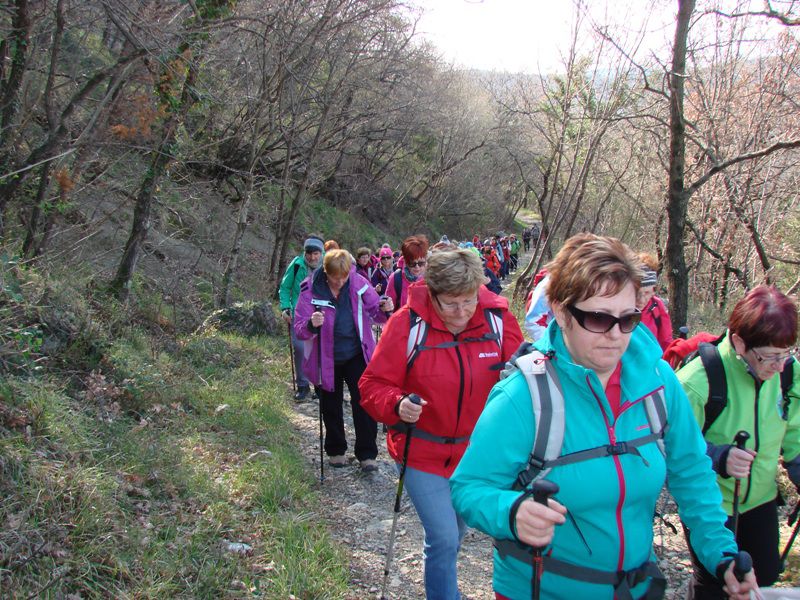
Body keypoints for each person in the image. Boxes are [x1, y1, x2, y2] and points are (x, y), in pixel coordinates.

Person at [450, 233, 758, 600]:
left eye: (628, 319)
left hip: (636, 589)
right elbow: (468, 487)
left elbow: (691, 473)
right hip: (540, 590)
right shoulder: (523, 395)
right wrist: (512, 511)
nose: (615, 335)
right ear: (562, 313)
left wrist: (720, 555)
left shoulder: (659, 383)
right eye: (598, 318)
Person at [360, 248, 524, 600]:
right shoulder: (408, 324)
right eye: (450, 304)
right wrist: (398, 404)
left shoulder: (497, 320)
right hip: (421, 452)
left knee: (455, 536)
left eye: (468, 301)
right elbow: (371, 385)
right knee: (445, 537)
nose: (462, 312)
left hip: (474, 456)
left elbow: (523, 376)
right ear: (431, 293)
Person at [677, 285, 799, 598]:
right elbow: (669, 450)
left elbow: (796, 435)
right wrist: (717, 456)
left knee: (765, 577)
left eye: (787, 354)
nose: (780, 366)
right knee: (716, 586)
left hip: (761, 499)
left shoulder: (788, 374)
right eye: (770, 357)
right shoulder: (697, 381)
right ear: (740, 342)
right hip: (712, 508)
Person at [293, 249, 394, 471]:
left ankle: (367, 454)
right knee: (330, 404)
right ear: (326, 272)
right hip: (326, 356)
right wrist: (311, 324)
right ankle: (336, 449)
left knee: (364, 402)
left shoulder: (358, 283)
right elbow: (299, 329)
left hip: (357, 352)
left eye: (344, 276)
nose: (340, 281)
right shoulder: (310, 289)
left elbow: (374, 312)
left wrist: (385, 308)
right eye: (335, 277)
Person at [279, 236, 324, 401]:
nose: (312, 257)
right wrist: (285, 307)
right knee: (300, 348)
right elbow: (285, 287)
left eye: (316, 253)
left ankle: (320, 385)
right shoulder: (297, 265)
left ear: (322, 253)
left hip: (321, 314)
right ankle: (303, 385)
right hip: (299, 314)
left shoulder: (327, 267)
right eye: (309, 253)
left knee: (320, 348)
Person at [636, 253, 673, 351]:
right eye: (637, 293)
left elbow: (666, 343)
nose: (641, 299)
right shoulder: (619, 308)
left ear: (653, 291)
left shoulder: (657, 307)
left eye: (647, 293)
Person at [386, 234, 428, 310]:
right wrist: (385, 308)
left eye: (421, 263)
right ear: (406, 261)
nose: (417, 267)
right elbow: (387, 313)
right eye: (412, 263)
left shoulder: (430, 278)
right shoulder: (396, 278)